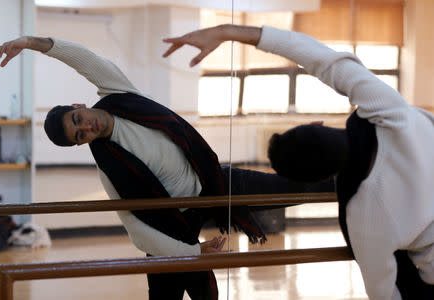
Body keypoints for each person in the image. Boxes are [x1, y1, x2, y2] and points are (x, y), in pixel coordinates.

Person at [0, 34, 334, 299]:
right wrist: (192, 252)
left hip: (213, 182)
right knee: (166, 293)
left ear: (80, 105)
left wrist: (30, 43)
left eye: (79, 119)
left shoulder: (117, 93)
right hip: (173, 223)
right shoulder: (109, 167)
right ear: (81, 144)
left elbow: (84, 59)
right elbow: (138, 229)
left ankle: (348, 181)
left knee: (295, 188)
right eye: (79, 136)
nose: (86, 128)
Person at [162, 24, 434, 300]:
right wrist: (228, 32)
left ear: (313, 181)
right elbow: (317, 56)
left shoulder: (364, 217)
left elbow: (384, 291)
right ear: (318, 124)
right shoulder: (388, 111)